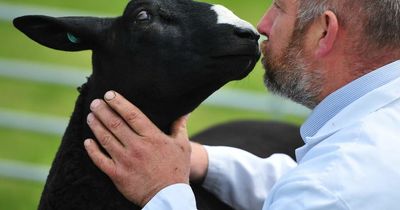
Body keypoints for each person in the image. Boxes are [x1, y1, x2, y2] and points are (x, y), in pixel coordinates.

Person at [83, 0, 400, 209]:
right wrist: (200, 160)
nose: (262, 24)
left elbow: (321, 190)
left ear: (324, 32)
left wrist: (161, 191)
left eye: (279, 8)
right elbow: (302, 181)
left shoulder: (332, 189)